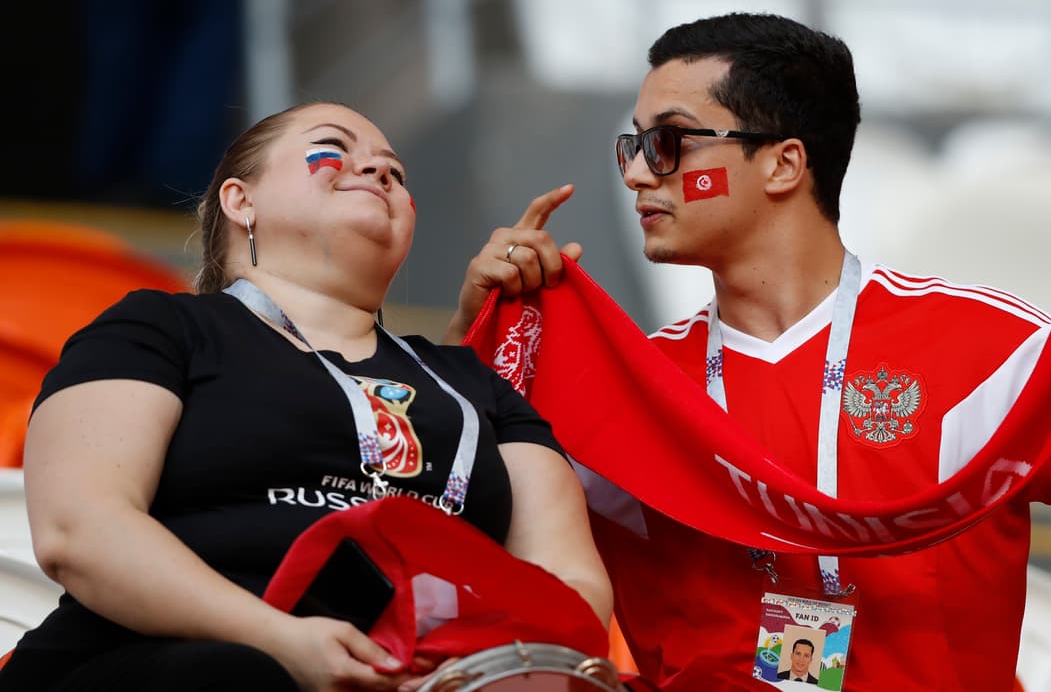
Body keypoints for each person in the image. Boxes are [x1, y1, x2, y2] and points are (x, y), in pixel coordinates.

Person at [451, 13, 1051, 690]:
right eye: (634, 146)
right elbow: (462, 529)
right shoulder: (632, 387)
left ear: (783, 163)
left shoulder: (978, 344)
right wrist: (471, 345)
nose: (637, 175)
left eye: (669, 144)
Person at [0, 102, 610, 692]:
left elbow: (570, 585)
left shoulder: (470, 384)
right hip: (166, 661)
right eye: (333, 150)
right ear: (242, 201)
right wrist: (280, 640)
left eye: (394, 172)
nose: (377, 171)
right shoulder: (160, 328)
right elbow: (80, 530)